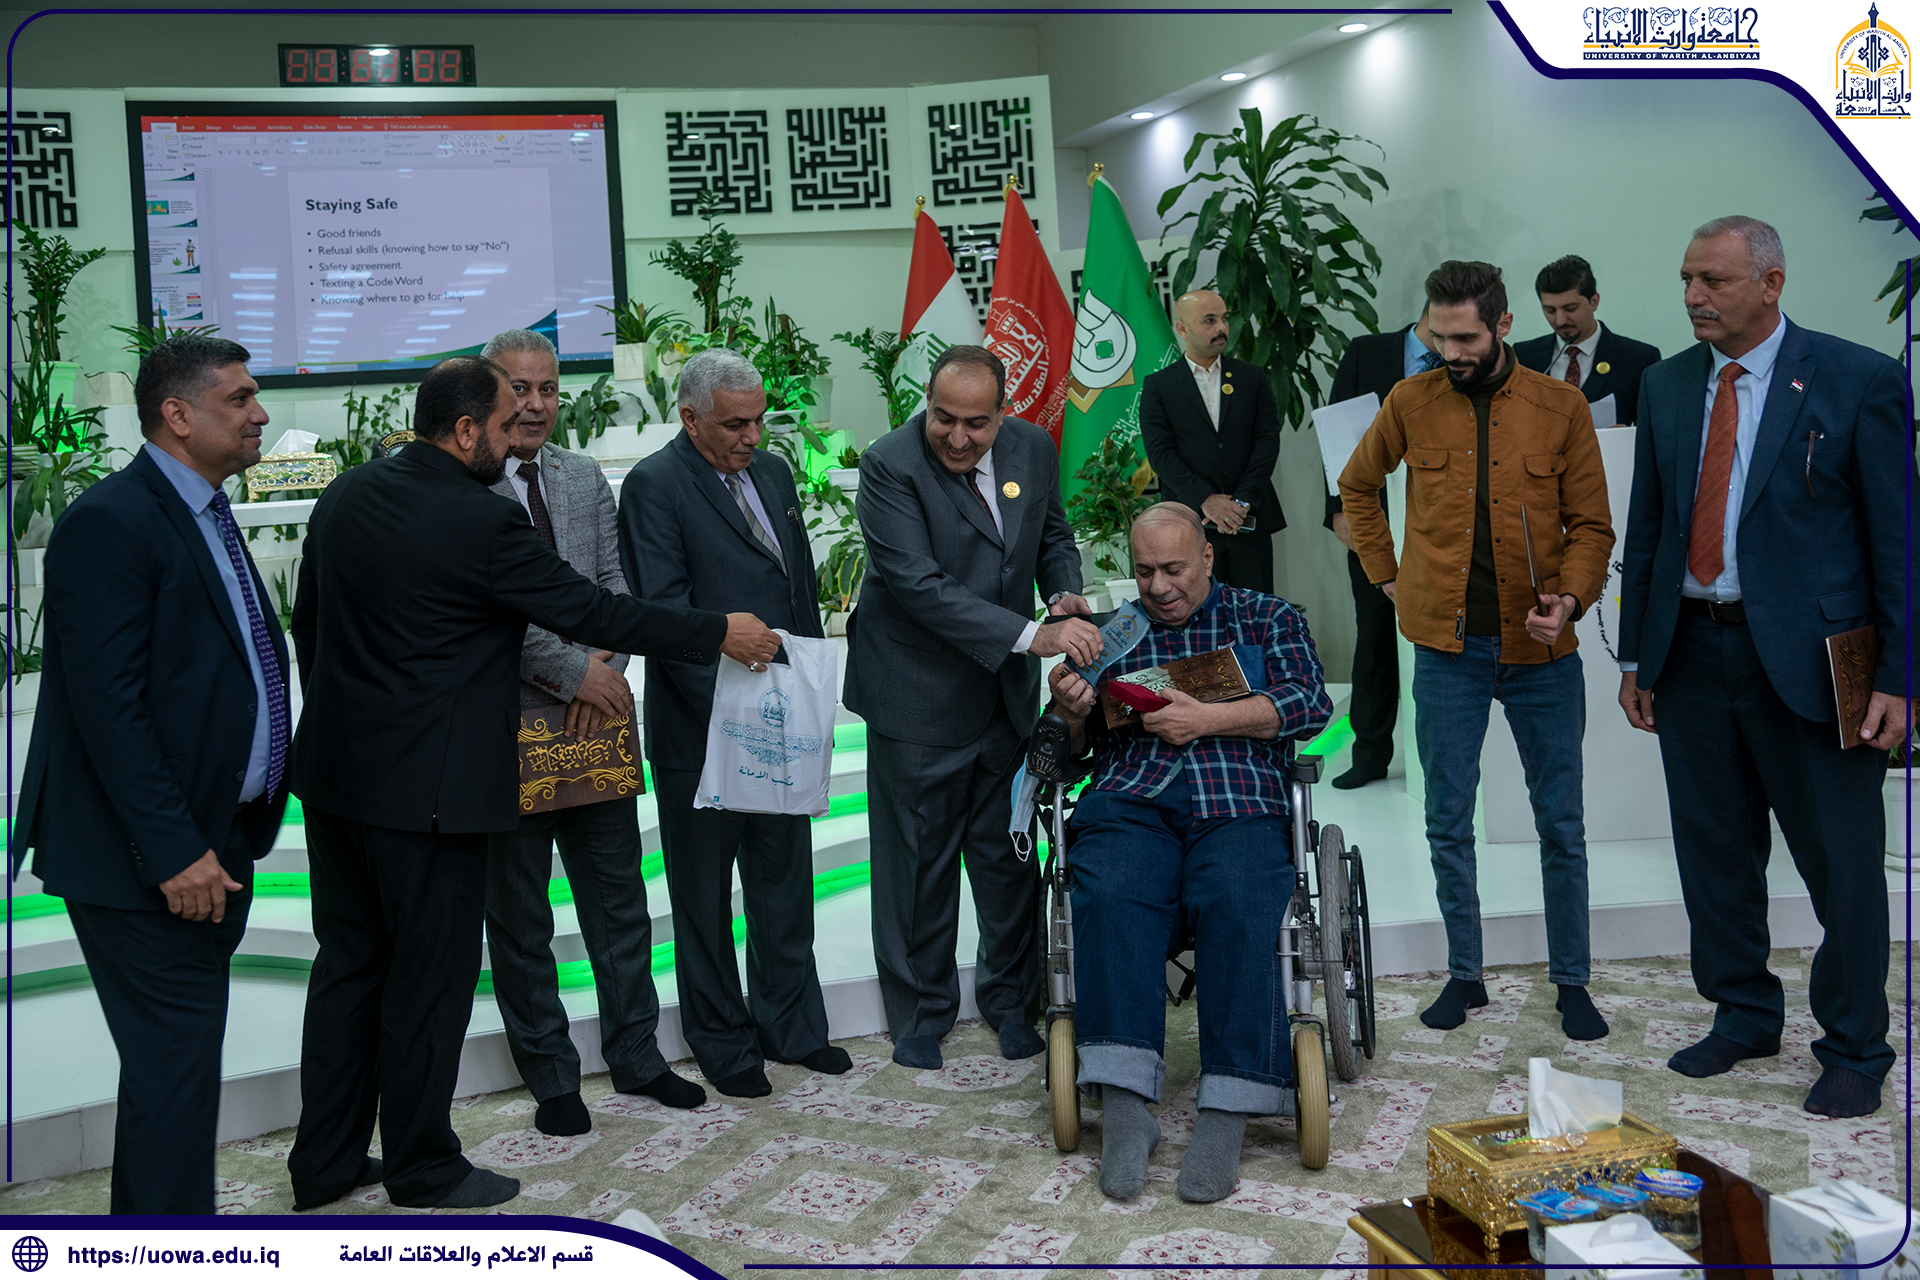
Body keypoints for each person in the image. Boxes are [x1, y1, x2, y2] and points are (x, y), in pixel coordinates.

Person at [286, 356, 779, 1211]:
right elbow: (593, 612)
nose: (519, 429)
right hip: (431, 796)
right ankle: (423, 1165)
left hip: (336, 783)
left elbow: (310, 628)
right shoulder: (482, 516)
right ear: (465, 430)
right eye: (503, 417)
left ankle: (324, 1161)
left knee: (348, 972)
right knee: (429, 984)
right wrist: (716, 630)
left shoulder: (349, 493)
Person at [1616, 215, 1911, 1119]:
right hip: (1691, 652)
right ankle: (1743, 1013)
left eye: (1714, 280)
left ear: (1771, 283)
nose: (1693, 296)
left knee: (1842, 863)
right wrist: (1637, 654)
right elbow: (1650, 527)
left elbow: (1899, 541)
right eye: (1687, 279)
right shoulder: (1667, 384)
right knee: (1714, 852)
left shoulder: (1858, 378)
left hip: (1817, 664)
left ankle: (1855, 1046)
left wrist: (1900, 678)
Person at [13, 336, 294, 1214]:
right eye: (239, 399)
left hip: (218, 837)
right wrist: (175, 851)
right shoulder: (110, 521)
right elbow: (109, 711)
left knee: (171, 1067)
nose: (260, 415)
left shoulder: (204, 510)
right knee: (175, 1064)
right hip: (146, 857)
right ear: (177, 415)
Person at [1339, 260, 1615, 1042]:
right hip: (1445, 650)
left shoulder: (1560, 407)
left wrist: (1571, 599)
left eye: (1464, 337)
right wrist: (1386, 575)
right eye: (1439, 336)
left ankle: (1572, 982)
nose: (1450, 352)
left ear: (1503, 326)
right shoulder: (1410, 400)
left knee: (1561, 824)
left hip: (1543, 655)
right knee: (1447, 819)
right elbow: (1357, 486)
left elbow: (1593, 526)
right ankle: (1466, 975)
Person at [1046, 503, 1332, 1204]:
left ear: (1207, 555)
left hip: (1237, 799)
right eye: (1145, 571)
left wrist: (1209, 719)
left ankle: (1228, 1107)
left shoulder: (1268, 617)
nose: (1159, 586)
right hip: (1133, 797)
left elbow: (1309, 703)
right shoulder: (1115, 633)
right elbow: (1073, 752)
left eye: (1174, 568)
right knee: (1111, 890)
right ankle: (1125, 1108)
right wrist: (1071, 712)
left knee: (1238, 897)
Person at [474, 329, 703, 1138]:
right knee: (521, 916)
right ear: (488, 392)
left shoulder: (580, 477)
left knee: (618, 900)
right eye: (519, 388)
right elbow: (490, 613)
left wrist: (597, 669)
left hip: (597, 717)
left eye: (547, 388)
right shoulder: (464, 485)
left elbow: (614, 586)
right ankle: (551, 1077)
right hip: (505, 727)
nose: (535, 404)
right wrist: (575, 672)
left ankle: (637, 1057)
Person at [844, 344, 1097, 1070]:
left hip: (1001, 698)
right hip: (916, 693)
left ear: (1002, 414)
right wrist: (1035, 635)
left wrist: (1063, 591)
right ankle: (920, 1015)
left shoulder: (1032, 447)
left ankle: (1010, 1003)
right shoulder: (890, 465)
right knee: (918, 865)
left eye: (975, 424)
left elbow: (1051, 533)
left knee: (1006, 855)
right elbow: (919, 586)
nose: (957, 437)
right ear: (927, 403)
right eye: (943, 418)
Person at [620, 349, 853, 1097]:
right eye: (734, 425)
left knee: (783, 883)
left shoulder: (775, 472)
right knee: (704, 899)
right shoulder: (655, 486)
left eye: (758, 421)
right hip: (702, 733)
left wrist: (807, 693)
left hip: (784, 719)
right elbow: (663, 613)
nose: (752, 437)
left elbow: (799, 591)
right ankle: (722, 1041)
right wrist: (734, 712)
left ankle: (793, 1028)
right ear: (690, 418)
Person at [1322, 304, 1441, 789]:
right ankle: (1370, 754)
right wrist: (1337, 510)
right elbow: (1336, 434)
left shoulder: (1467, 357)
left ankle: (1438, 761)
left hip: (1440, 522)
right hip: (1373, 520)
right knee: (1373, 635)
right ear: (1429, 313)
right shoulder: (1367, 353)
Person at [1139, 289, 1285, 592]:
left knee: (1254, 611)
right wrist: (1206, 501)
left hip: (1248, 519)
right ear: (1182, 329)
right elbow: (1160, 453)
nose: (1222, 328)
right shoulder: (1159, 386)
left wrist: (1240, 503)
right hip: (1191, 524)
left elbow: (1267, 442)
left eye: (1224, 319)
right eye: (1209, 321)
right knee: (1197, 612)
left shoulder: (1251, 377)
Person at [1513, 255, 1661, 427]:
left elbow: (1655, 427)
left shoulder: (1638, 359)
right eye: (1550, 310)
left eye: (1570, 308)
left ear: (1594, 302)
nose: (1560, 320)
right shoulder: (1524, 357)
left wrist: (1628, 434)